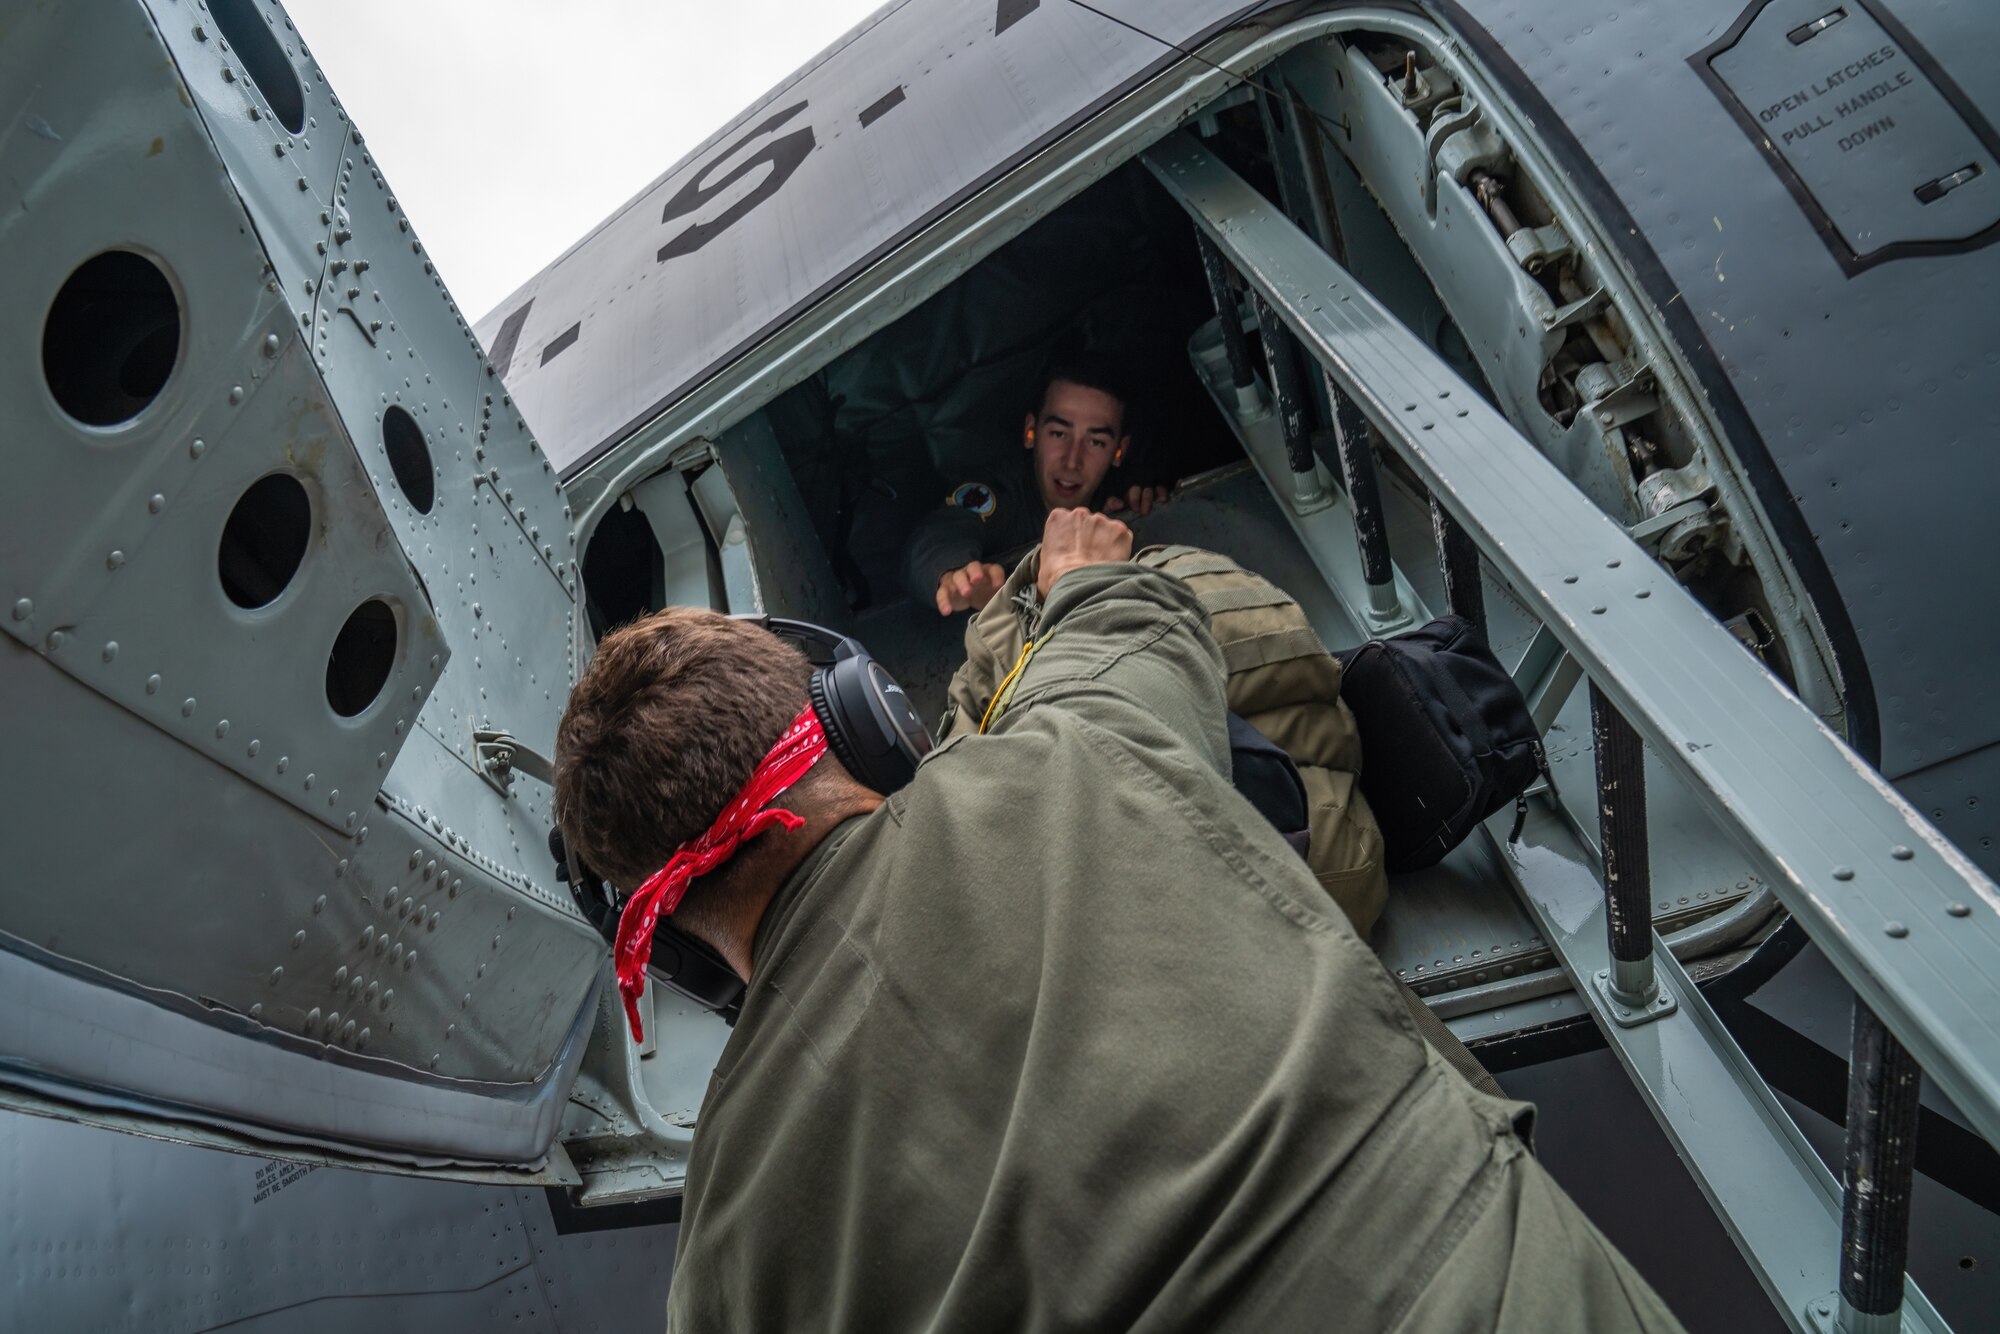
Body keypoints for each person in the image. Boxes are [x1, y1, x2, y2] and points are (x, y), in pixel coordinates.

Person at [554, 507, 1684, 1333]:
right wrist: (1076, 565)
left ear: (674, 941)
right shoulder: (1068, 749)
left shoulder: (721, 1264)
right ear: (861, 722)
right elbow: (1132, 617)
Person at [902, 352, 1169, 616]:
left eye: (1095, 441)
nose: (1072, 460)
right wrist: (952, 574)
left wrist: (1148, 505)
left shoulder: (1128, 490)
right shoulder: (1004, 492)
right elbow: (936, 537)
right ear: (1031, 432)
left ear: (1119, 451)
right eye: (1058, 433)